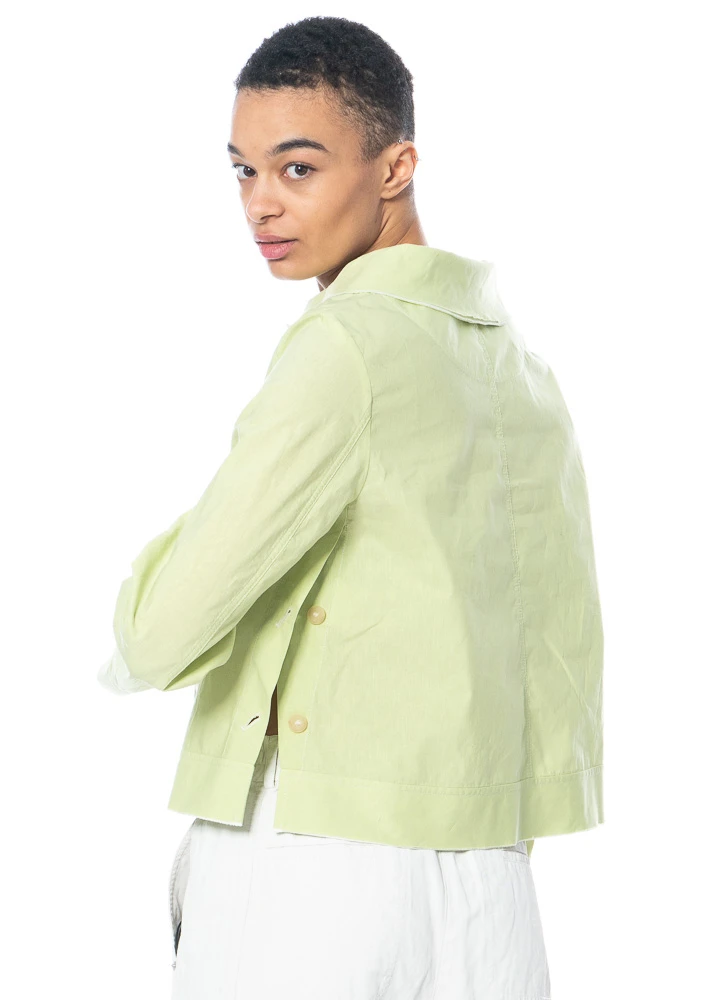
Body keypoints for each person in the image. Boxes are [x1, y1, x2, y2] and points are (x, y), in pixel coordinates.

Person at [98, 15, 604, 1000]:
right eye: (243, 171)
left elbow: (159, 632)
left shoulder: (347, 345)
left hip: (315, 861)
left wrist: (135, 607)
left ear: (395, 165)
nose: (261, 203)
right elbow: (556, 645)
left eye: (298, 167)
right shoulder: (519, 367)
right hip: (489, 879)